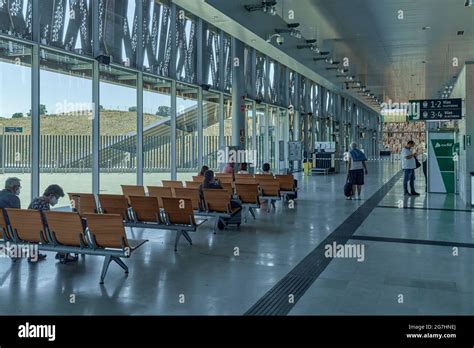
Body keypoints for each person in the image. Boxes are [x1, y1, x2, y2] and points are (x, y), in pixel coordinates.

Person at [29, 185, 72, 262]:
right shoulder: (44, 205)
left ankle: (33, 254)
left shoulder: (35, 200)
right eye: (57, 198)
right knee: (65, 228)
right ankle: (64, 254)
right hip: (43, 234)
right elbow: (47, 223)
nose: (57, 201)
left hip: (31, 233)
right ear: (51, 195)